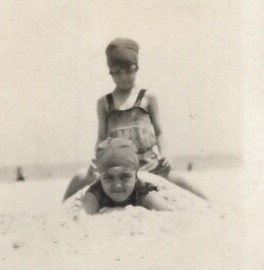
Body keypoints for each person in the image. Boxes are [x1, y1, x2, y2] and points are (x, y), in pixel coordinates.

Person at [63, 37, 207, 201]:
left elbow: (159, 132)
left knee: (183, 182)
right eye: (117, 72)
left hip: (150, 165)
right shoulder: (104, 103)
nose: (123, 77)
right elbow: (101, 139)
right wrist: (96, 161)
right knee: (79, 177)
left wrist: (165, 154)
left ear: (136, 69)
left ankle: (212, 206)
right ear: (110, 72)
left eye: (129, 71)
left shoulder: (148, 98)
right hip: (117, 168)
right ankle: (59, 214)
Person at [80, 138, 174, 215]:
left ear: (135, 175)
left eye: (125, 177)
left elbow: (171, 212)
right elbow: (81, 218)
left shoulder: (142, 190)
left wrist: (121, 211)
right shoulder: (97, 191)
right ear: (100, 177)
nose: (117, 185)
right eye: (108, 178)